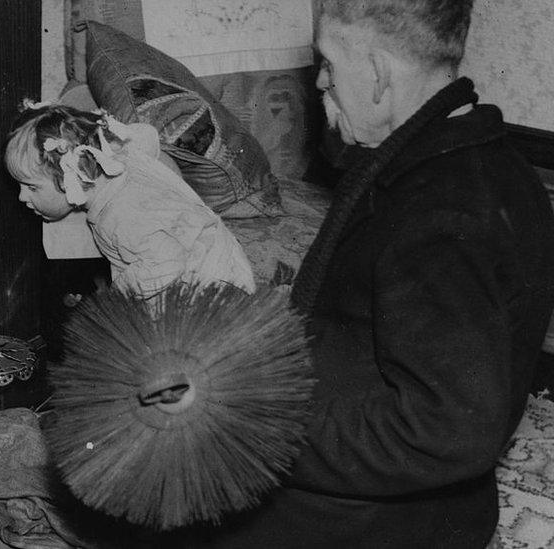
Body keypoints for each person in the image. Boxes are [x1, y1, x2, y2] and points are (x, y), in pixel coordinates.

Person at [166, 0, 554, 547]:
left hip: (379, 519)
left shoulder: (440, 217)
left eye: (327, 62)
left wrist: (254, 423)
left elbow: (447, 434)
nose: (319, 80)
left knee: (167, 510)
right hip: (379, 476)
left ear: (377, 73)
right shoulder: (484, 164)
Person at [4, 102, 256, 300]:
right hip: (216, 268)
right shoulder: (116, 160)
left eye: (31, 187)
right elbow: (144, 135)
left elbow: (166, 263)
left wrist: (116, 296)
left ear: (71, 174)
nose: (22, 197)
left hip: (209, 290)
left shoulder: (122, 213)